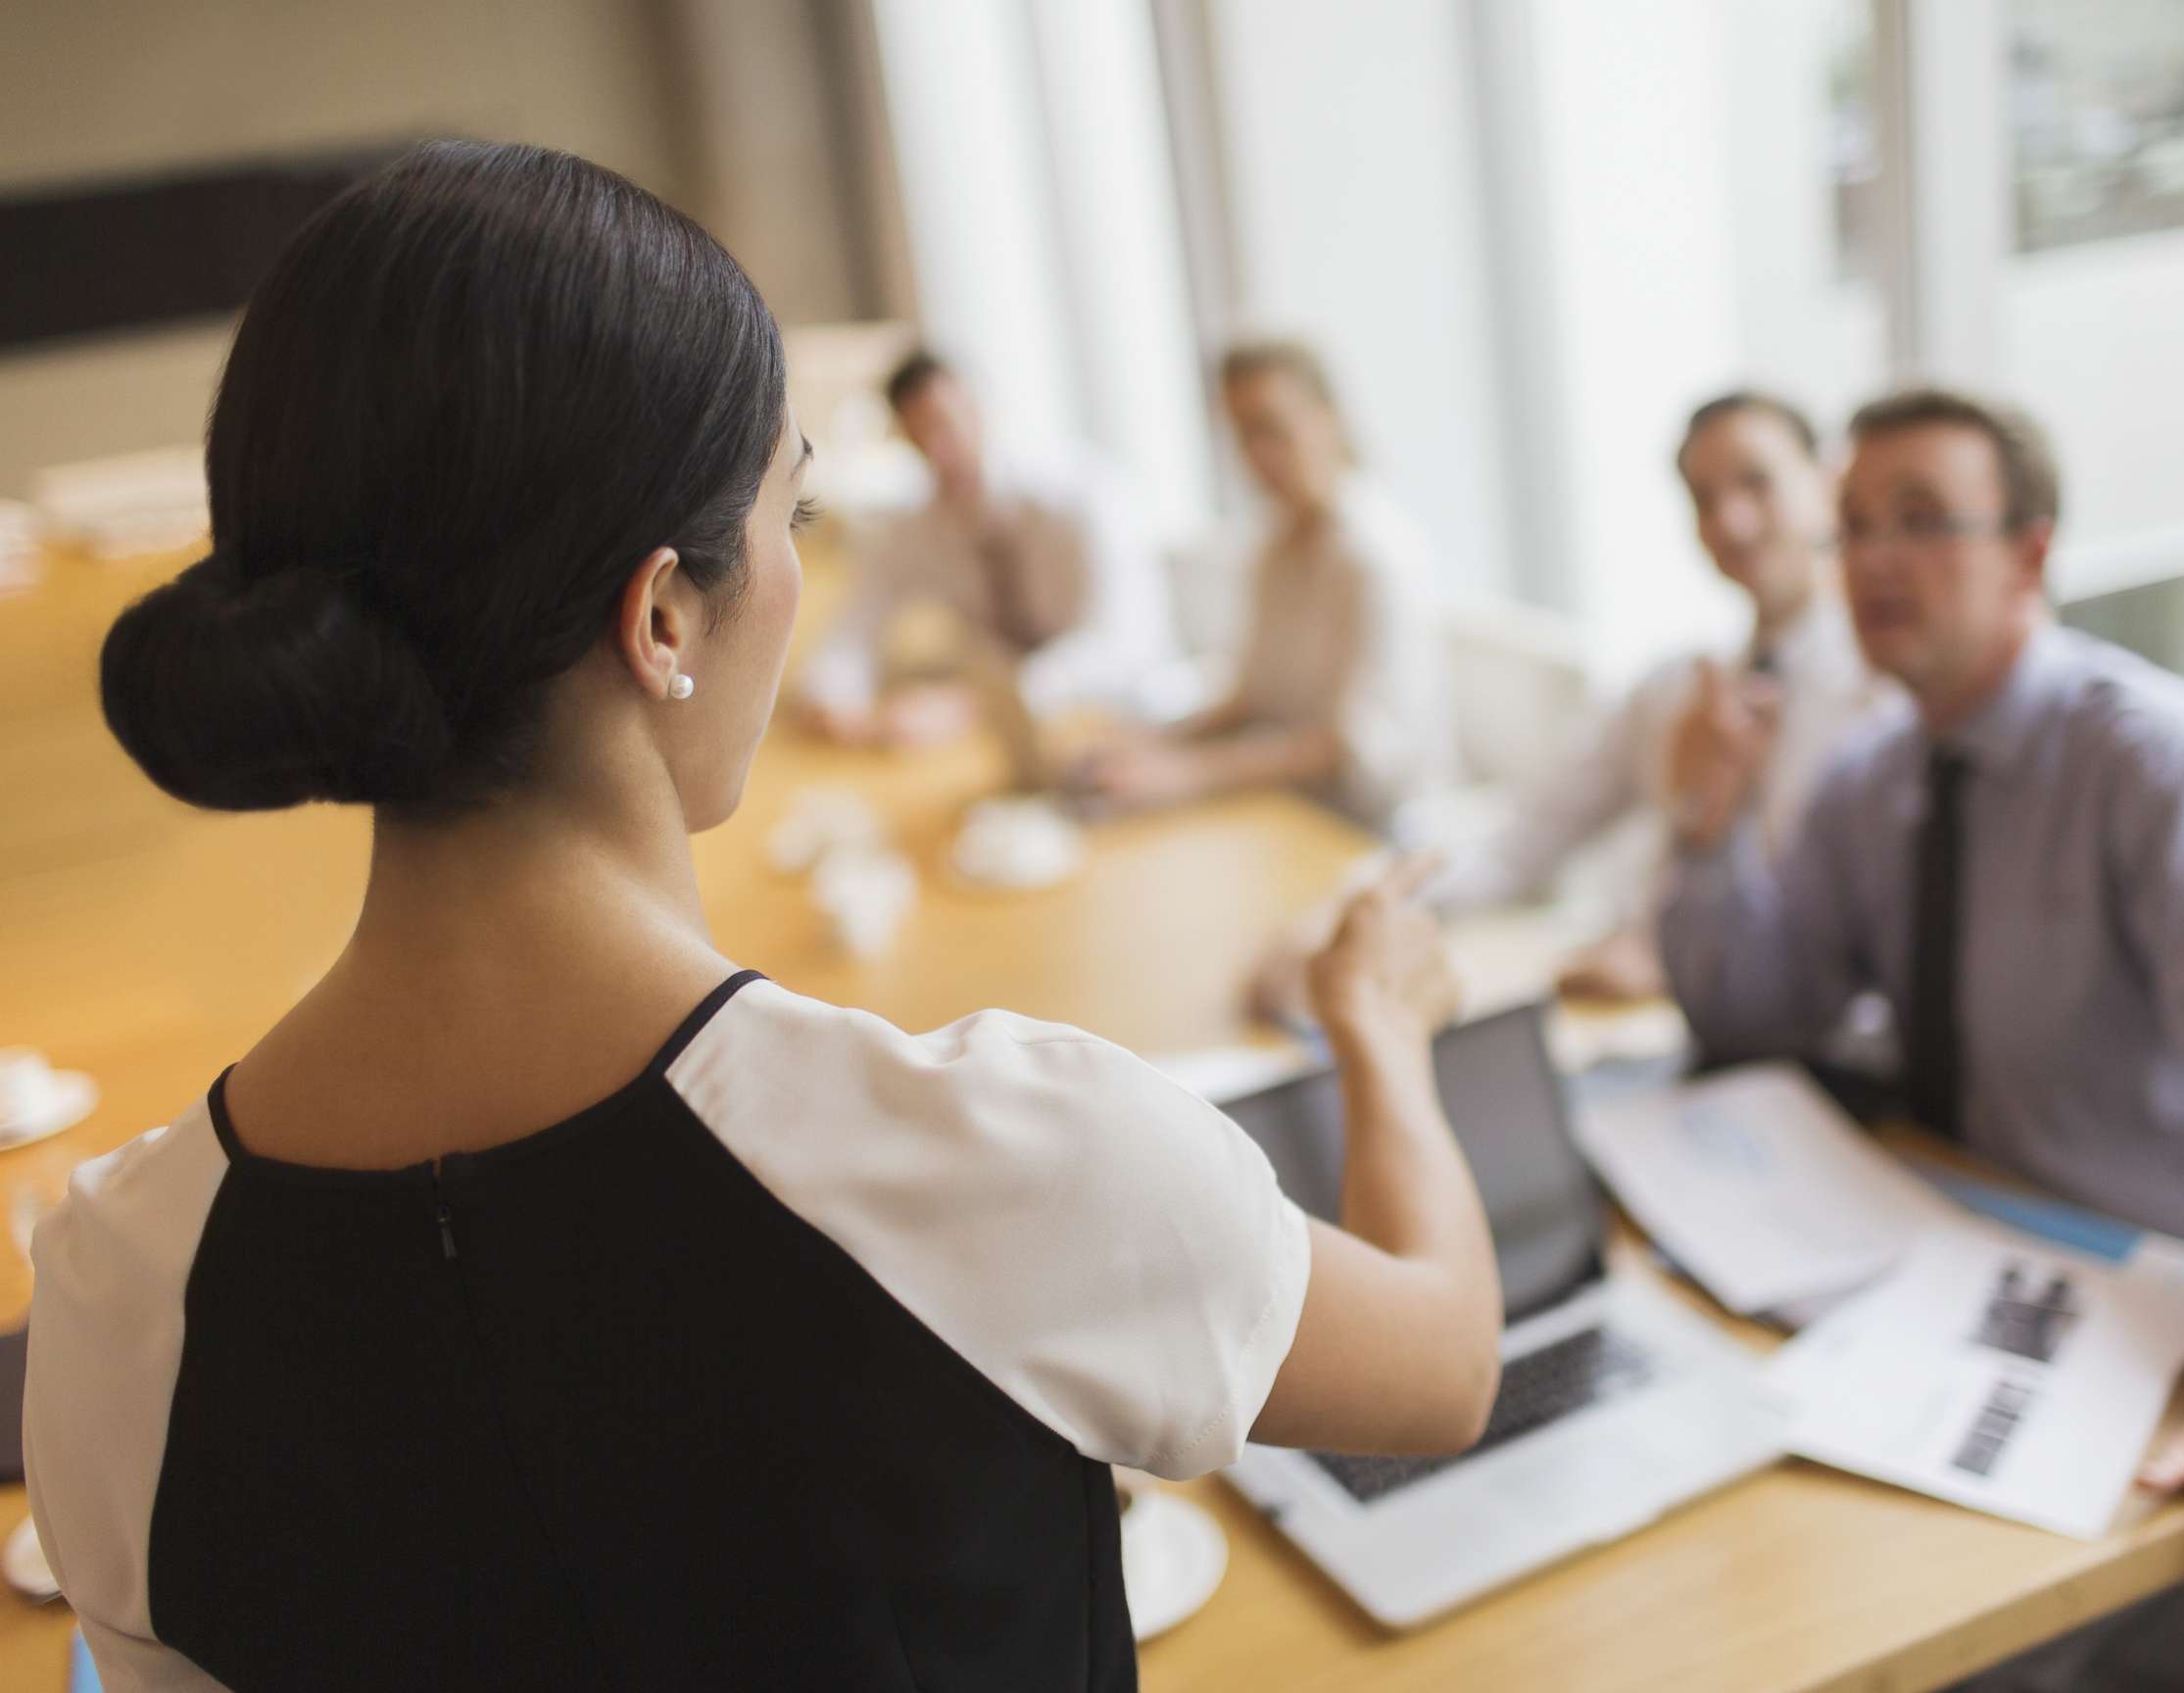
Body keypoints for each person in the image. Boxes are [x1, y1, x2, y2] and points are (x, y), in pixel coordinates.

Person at [26, 143, 1502, 1692]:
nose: (802, 571)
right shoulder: (1000, 1167)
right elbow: (1447, 1359)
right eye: (792, 512)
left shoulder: (119, 1300)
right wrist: (1379, 1032)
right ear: (664, 616)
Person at [1658, 388, 2184, 1668]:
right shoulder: (1873, 776)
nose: (1875, 561)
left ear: (2030, 551)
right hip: (1963, 1263)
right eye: (1852, 527)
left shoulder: (2157, 759)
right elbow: (1757, 1020)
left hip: (2168, 1316)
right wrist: (1706, 829)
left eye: (1920, 521)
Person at [1418, 390, 1891, 1001]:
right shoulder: (1673, 689)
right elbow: (1526, 840)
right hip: (1643, 1020)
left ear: (1826, 482)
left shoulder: (1891, 703)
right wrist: (1371, 906)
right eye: (1705, 500)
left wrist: (1671, 956)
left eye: (1757, 483)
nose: (1732, 523)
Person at [1073, 340, 1452, 834]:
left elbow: (1344, 749)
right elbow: (1250, 700)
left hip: (1371, 827)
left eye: (1272, 428)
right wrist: (1152, 741)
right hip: (1290, 807)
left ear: (1328, 418)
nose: (1257, 456)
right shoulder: (1275, 547)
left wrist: (1187, 774)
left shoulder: (1375, 557)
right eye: (1242, 437)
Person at [795, 348, 1179, 746]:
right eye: (919, 435)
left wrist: (978, 701)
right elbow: (852, 633)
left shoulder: (1084, 495)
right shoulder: (912, 527)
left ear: (979, 406)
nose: (939, 450)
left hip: (1125, 718)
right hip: (1008, 737)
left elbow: (1123, 647)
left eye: (945, 423)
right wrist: (834, 702)